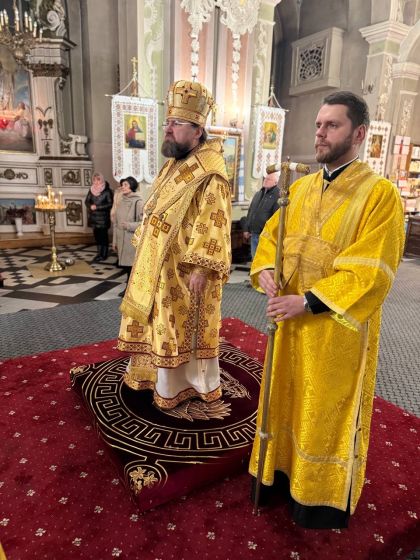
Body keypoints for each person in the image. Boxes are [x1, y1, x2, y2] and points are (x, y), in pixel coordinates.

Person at [249, 91, 405, 529]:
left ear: (358, 133)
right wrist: (265, 269)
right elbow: (273, 237)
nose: (320, 133)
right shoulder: (299, 188)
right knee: (284, 399)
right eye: (318, 124)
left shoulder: (380, 195)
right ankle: (277, 475)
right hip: (288, 321)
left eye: (332, 125)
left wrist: (307, 302)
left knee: (323, 410)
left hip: (335, 329)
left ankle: (316, 498)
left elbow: (373, 270)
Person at [117, 79, 232, 410]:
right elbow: (155, 206)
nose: (168, 128)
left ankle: (185, 384)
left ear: (197, 130)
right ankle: (151, 374)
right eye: (168, 122)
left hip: (184, 269)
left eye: (177, 123)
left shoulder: (210, 171)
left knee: (178, 325)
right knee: (156, 321)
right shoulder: (174, 163)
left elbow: (215, 220)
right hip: (157, 263)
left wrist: (202, 267)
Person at [112, 176, 143, 297]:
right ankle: (129, 289)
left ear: (132, 186)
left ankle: (130, 290)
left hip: (131, 239)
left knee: (131, 266)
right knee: (125, 266)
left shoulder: (138, 202)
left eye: (125, 185)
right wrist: (114, 241)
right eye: (122, 185)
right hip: (121, 239)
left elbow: (144, 222)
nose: (123, 187)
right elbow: (116, 223)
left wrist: (129, 225)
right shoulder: (121, 201)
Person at [243, 172, 280, 258]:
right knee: (254, 259)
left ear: (275, 182)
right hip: (254, 234)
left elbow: (276, 217)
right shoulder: (258, 193)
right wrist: (246, 229)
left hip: (266, 237)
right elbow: (251, 212)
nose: (265, 180)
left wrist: (269, 234)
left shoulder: (278, 195)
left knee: (263, 261)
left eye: (269, 179)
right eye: (265, 178)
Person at [85, 172, 113, 262]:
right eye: (94, 180)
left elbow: (110, 204)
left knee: (103, 237)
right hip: (93, 218)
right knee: (97, 237)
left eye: (98, 179)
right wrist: (90, 206)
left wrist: (97, 207)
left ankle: (104, 255)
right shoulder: (91, 190)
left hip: (103, 219)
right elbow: (86, 201)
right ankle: (99, 254)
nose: (96, 182)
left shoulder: (107, 191)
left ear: (102, 180)